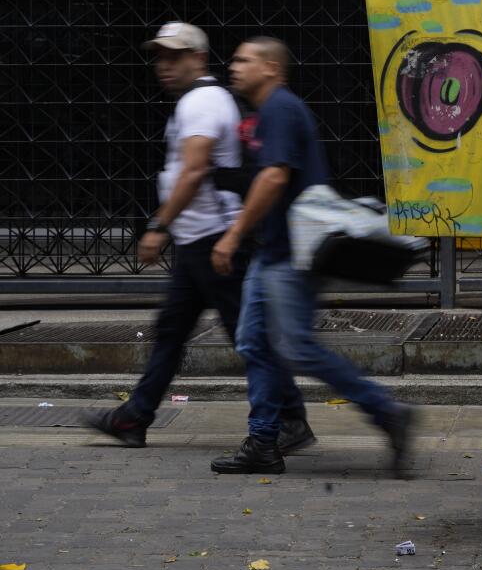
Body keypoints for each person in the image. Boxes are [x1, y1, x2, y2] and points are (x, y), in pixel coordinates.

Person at [84, 23, 313, 451]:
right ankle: (134, 417)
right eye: (159, 57)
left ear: (199, 59)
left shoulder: (203, 102)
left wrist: (159, 226)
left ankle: (291, 418)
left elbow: (193, 170)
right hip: (200, 243)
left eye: (175, 56)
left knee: (248, 337)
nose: (164, 66)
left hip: (215, 243)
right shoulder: (200, 100)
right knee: (174, 332)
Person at [209, 37, 414, 476]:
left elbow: (274, 176)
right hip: (272, 253)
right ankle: (263, 440)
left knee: (297, 348)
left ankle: (387, 411)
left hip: (290, 257)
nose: (234, 66)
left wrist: (233, 235)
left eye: (243, 60)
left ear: (270, 67)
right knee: (254, 342)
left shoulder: (281, 108)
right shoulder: (269, 113)